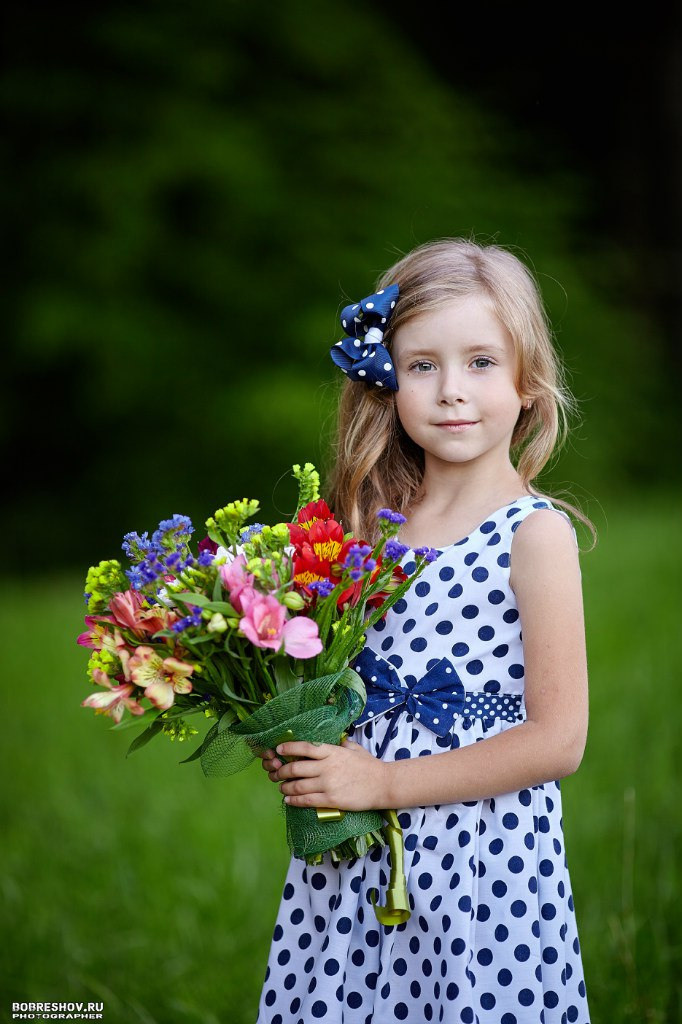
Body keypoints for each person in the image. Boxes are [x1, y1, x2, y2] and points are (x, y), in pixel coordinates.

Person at [257, 238, 591, 1023]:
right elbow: (335, 681)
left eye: (480, 362)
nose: (451, 392)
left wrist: (386, 784)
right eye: (422, 366)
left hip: (482, 863)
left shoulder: (532, 535)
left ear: (527, 381)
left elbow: (560, 740)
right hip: (356, 859)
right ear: (387, 381)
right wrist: (300, 740)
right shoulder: (368, 532)